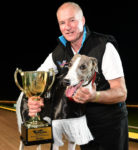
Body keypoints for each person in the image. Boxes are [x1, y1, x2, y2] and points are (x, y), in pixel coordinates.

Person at [27, 2, 128, 150]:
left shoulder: (104, 46)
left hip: (110, 125)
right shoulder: (59, 52)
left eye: (72, 20)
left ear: (83, 20)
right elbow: (37, 78)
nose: (67, 27)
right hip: (82, 126)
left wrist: (95, 96)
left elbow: (121, 93)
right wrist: (34, 97)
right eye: (62, 22)